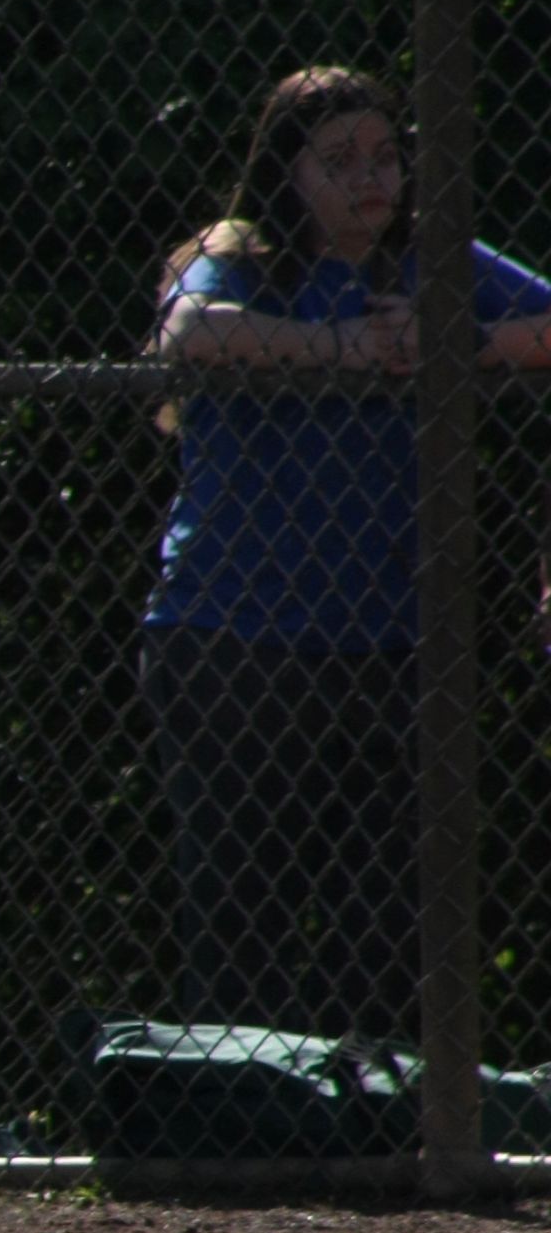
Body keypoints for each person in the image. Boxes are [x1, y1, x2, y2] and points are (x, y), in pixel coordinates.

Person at [145, 66, 551, 1036]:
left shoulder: (433, 263)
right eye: (339, 162)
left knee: (387, 934)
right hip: (237, 642)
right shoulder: (242, 257)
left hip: (393, 644)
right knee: (240, 931)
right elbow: (189, 332)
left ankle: (378, 1118)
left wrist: (461, 341)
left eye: (384, 156)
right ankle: (243, 1117)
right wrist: (343, 350)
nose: (371, 180)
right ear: (287, 175)